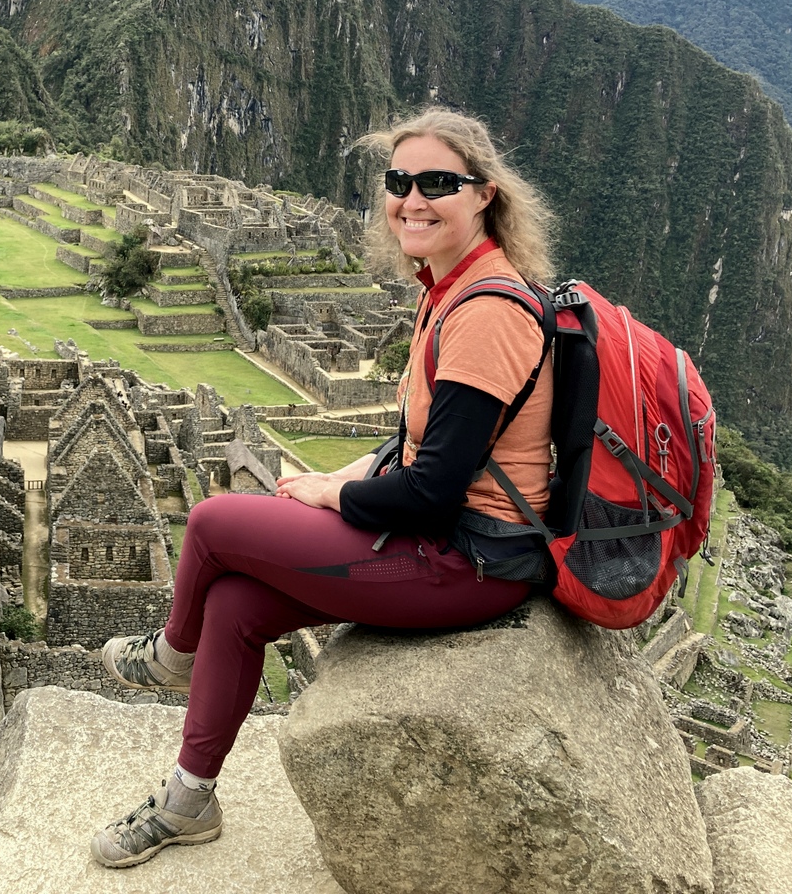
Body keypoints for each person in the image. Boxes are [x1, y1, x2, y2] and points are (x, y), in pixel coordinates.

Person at [90, 107, 557, 868]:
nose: (412, 199)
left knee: (211, 523)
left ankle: (173, 656)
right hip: (435, 546)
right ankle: (187, 801)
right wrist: (348, 472)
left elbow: (433, 492)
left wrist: (330, 498)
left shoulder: (489, 313)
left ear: (484, 195)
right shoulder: (451, 291)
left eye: (438, 183)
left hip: (468, 561)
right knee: (235, 606)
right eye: (399, 182)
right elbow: (424, 443)